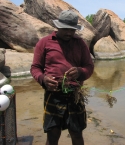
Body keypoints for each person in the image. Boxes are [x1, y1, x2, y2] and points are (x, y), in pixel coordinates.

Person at [30, 10, 94, 145]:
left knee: (76, 133)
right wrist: (43, 79)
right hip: (53, 95)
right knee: (53, 134)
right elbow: (35, 68)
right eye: (65, 29)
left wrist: (80, 72)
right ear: (57, 26)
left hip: (75, 95)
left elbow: (89, 67)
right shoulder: (45, 43)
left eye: (72, 30)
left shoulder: (80, 43)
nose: (69, 33)